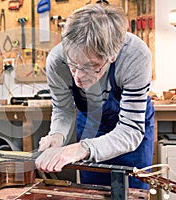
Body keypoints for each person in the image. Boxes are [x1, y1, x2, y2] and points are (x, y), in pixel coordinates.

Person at [35, 3, 154, 190]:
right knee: (92, 191)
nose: (78, 77)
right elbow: (63, 109)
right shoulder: (57, 60)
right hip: (92, 122)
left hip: (130, 129)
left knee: (133, 192)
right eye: (72, 65)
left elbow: (130, 129)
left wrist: (83, 148)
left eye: (90, 67)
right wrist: (57, 136)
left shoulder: (135, 56)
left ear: (112, 56)